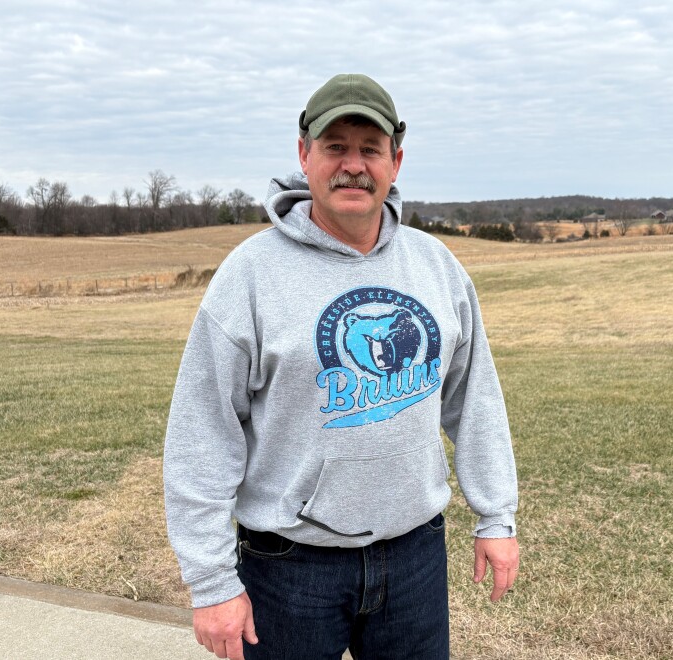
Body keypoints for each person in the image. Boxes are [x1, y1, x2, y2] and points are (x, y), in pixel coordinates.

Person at [163, 73, 519, 660]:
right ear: (304, 155)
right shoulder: (249, 277)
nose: (353, 165)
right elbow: (202, 435)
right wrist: (211, 582)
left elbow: (474, 399)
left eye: (369, 149)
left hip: (414, 557)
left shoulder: (437, 268)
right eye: (335, 147)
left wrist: (496, 516)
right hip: (290, 566)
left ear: (395, 161)